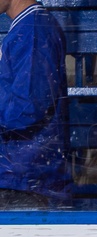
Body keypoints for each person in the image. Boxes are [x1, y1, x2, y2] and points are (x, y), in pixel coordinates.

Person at [0, 0, 72, 208]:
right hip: (21, 176)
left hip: (25, 179)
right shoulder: (28, 27)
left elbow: (26, 108)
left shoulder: (33, 30)